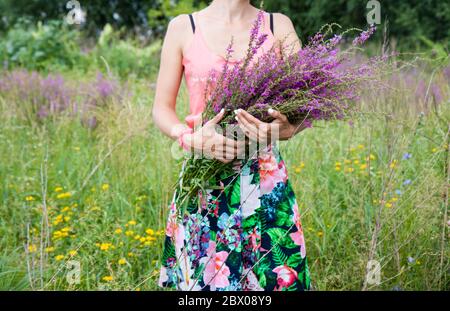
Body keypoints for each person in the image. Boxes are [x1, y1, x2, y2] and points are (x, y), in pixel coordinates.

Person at [152, 0, 310, 291]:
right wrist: (188, 138)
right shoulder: (183, 27)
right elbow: (161, 108)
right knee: (204, 284)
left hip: (265, 182)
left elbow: (304, 109)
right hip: (204, 179)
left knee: (274, 281)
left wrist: (285, 129)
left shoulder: (279, 26)